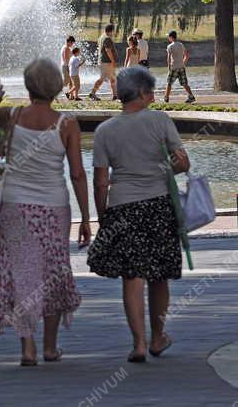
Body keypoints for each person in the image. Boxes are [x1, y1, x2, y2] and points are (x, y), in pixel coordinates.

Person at [0, 61, 91, 366]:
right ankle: (50, 347)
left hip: (14, 206)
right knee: (53, 272)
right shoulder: (67, 123)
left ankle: (27, 347)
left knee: (23, 273)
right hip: (54, 207)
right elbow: (78, 174)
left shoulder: (12, 115)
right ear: (56, 86)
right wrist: (86, 217)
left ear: (28, 86)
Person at [87, 67, 187, 363]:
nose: (153, 97)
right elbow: (182, 163)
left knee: (132, 277)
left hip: (122, 207)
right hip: (157, 204)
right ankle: (158, 337)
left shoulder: (105, 130)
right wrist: (171, 166)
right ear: (142, 93)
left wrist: (102, 214)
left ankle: (139, 343)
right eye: (151, 92)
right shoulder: (159, 120)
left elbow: (100, 180)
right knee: (159, 276)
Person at [163, 30, 195, 104]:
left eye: (169, 36)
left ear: (171, 37)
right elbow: (187, 55)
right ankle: (191, 96)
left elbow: (168, 58)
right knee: (184, 83)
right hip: (181, 66)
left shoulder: (169, 46)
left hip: (173, 67)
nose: (168, 38)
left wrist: (169, 67)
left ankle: (166, 98)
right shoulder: (181, 44)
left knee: (169, 83)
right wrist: (183, 63)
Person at [88, 24, 118, 101]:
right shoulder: (107, 38)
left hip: (103, 61)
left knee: (113, 78)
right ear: (111, 31)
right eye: (113, 31)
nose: (114, 33)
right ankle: (92, 93)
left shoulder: (101, 37)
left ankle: (115, 95)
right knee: (102, 78)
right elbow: (108, 50)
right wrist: (113, 61)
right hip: (107, 62)